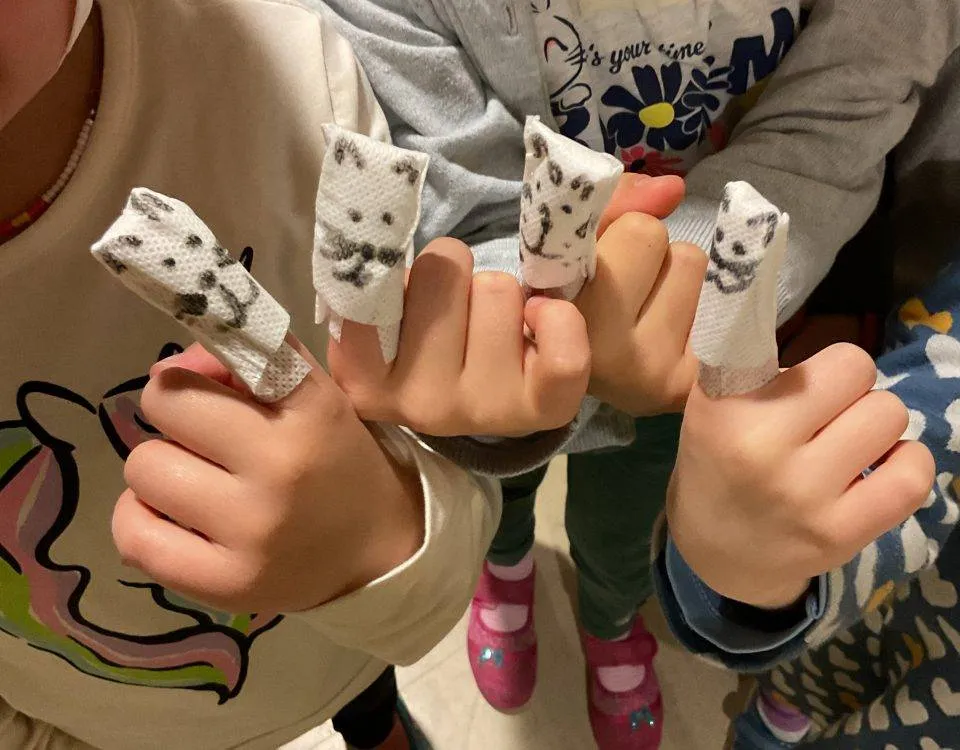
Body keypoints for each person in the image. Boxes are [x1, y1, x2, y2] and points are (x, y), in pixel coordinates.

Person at [314, 0, 959, 747]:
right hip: (500, 357)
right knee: (500, 492)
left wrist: (665, 298)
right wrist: (531, 322)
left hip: (688, 375)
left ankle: (610, 619)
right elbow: (447, 184)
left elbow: (832, 125)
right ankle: (507, 569)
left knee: (624, 524)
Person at [0, 0, 629, 746]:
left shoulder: (296, 76)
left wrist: (375, 539)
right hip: (100, 722)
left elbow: (423, 425)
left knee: (369, 705)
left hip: (345, 650)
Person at [657, 247, 959, 747]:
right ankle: (769, 721)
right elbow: (925, 414)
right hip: (853, 616)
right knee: (804, 682)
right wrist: (741, 562)